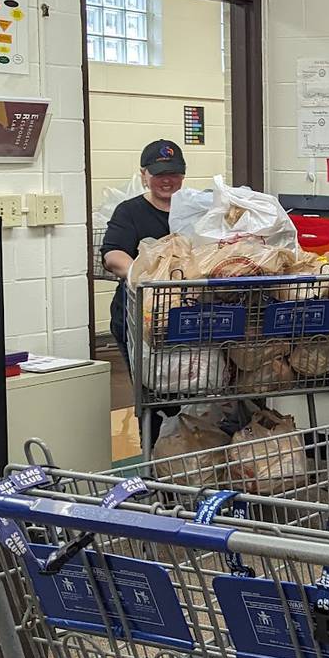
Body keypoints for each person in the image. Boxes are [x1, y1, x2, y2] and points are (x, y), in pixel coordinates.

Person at [101, 139, 186, 441]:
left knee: (192, 389)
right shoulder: (130, 212)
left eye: (174, 174)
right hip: (139, 320)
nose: (167, 180)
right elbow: (113, 256)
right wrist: (147, 275)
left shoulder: (198, 209)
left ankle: (189, 457)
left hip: (187, 320)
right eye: (159, 173)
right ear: (144, 175)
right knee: (153, 394)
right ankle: (155, 467)